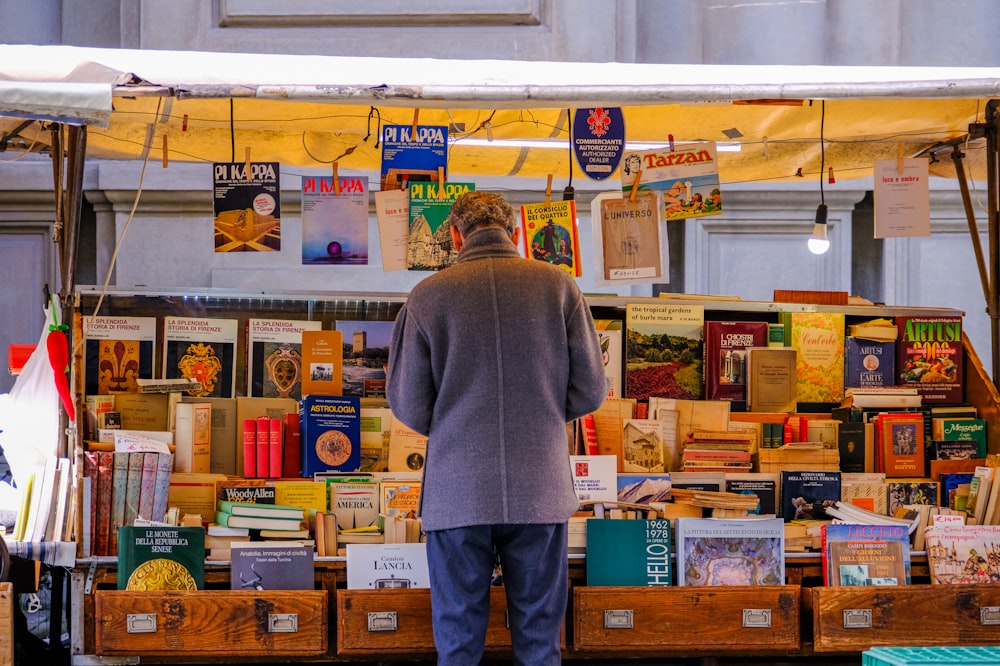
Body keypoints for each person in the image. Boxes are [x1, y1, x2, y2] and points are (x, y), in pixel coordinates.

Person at [386, 191, 607, 665]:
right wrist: (542, 412)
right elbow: (590, 392)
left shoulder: (427, 296)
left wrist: (454, 424)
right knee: (540, 639)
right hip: (540, 488)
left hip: (457, 490)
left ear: (455, 235)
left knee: (459, 639)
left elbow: (408, 404)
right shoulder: (559, 286)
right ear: (516, 232)